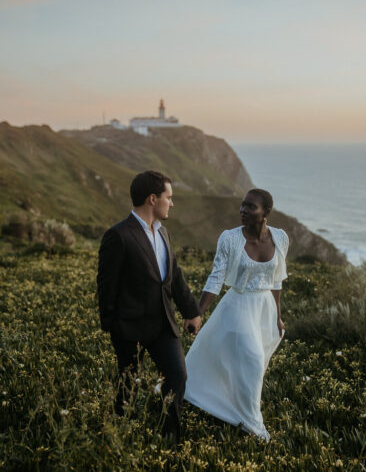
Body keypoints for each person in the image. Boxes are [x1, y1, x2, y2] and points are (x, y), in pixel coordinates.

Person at [97, 170, 202, 443]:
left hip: (163, 324)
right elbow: (106, 285)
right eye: (169, 197)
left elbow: (174, 277)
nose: (172, 203)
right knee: (127, 387)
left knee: (178, 377)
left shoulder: (163, 233)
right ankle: (119, 438)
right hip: (129, 327)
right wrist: (112, 325)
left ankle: (169, 439)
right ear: (153, 199)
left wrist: (191, 312)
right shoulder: (118, 236)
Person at [183, 188, 288, 441]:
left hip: (264, 310)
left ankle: (231, 403)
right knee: (251, 360)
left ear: (266, 213)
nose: (243, 210)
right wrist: (197, 313)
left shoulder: (281, 237)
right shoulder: (229, 239)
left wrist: (277, 317)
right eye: (242, 205)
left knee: (251, 364)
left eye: (251, 207)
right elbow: (216, 278)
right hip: (239, 306)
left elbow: (276, 281)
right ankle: (253, 425)